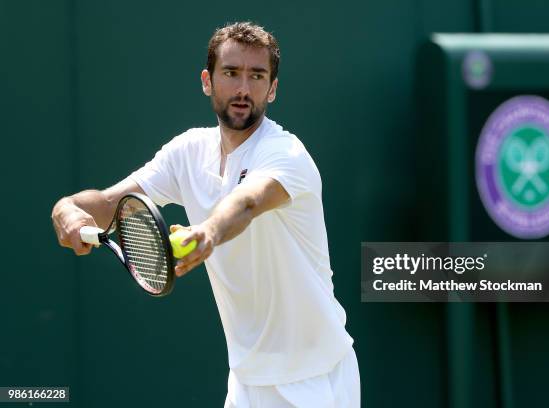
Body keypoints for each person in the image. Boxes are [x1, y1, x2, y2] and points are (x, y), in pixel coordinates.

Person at [51, 21, 359, 407]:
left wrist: (209, 231)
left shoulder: (287, 154)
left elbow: (247, 202)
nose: (243, 89)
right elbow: (111, 202)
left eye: (257, 76)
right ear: (207, 81)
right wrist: (69, 208)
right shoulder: (187, 152)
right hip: (246, 380)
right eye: (231, 73)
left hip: (315, 381)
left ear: (273, 88)